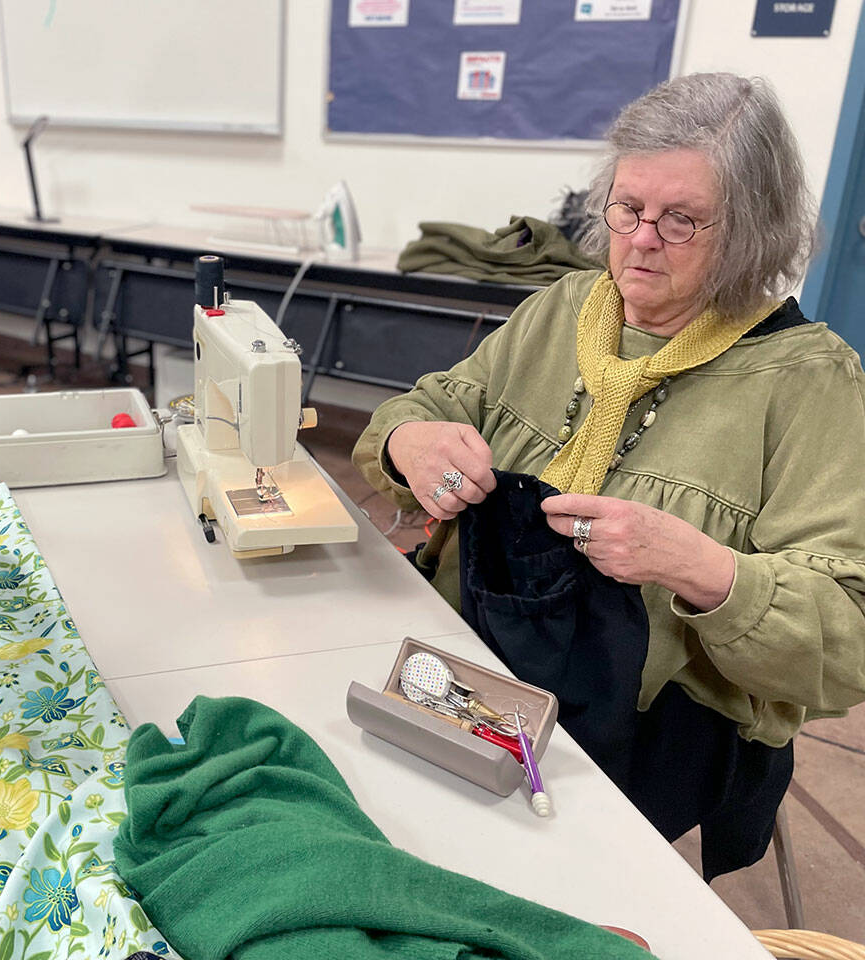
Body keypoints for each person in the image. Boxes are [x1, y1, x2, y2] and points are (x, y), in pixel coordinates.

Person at [354, 73, 865, 877]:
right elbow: (429, 406)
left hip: (656, 723)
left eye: (682, 220)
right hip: (476, 656)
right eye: (625, 210)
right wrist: (410, 442)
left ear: (755, 228)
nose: (640, 240)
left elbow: (847, 640)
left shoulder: (808, 381)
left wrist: (706, 572)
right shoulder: (563, 310)